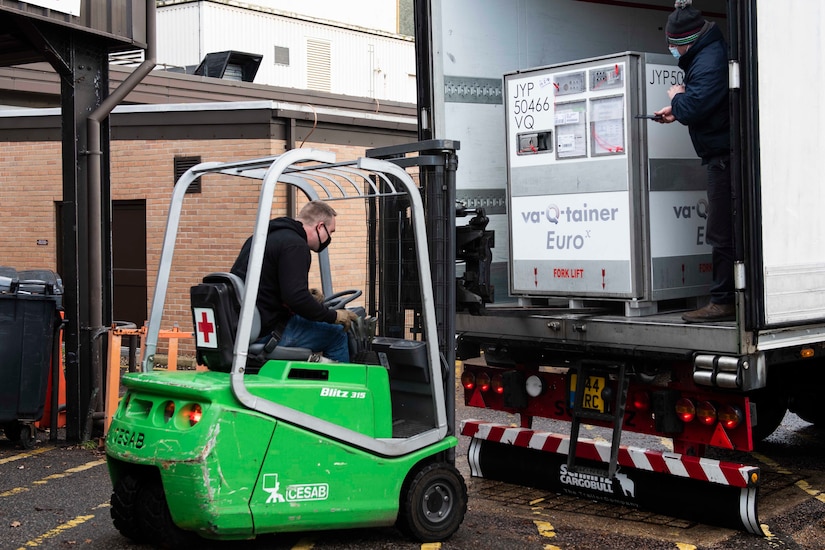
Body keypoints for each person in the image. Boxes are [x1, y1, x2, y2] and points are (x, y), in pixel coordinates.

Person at [654, 0, 734, 323]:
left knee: (721, 232)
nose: (673, 51)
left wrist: (677, 99)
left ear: (686, 41)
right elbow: (701, 105)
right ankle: (724, 297)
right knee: (722, 230)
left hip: (724, 159)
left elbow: (697, 104)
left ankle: (724, 300)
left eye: (674, 46)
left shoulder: (709, 59)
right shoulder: (704, 55)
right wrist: (678, 111)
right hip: (719, 155)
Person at [230, 200, 358, 361]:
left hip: (246, 326)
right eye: (330, 232)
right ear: (320, 227)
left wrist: (307, 297)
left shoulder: (262, 238)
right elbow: (296, 299)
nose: (329, 238)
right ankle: (341, 385)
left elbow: (269, 287)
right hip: (268, 331)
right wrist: (334, 316)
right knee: (337, 334)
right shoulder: (296, 245)